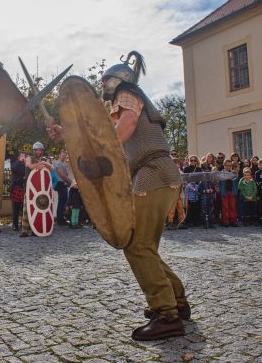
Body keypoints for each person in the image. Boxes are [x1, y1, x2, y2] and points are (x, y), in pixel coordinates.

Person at [49, 52, 191, 341]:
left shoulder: (128, 93)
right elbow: (100, 132)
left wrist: (91, 150)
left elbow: (122, 128)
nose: (102, 84)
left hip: (153, 174)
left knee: (136, 245)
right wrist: (67, 133)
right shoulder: (128, 98)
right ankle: (176, 301)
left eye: (105, 80)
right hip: (156, 175)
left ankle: (167, 315)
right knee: (145, 246)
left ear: (118, 81)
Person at [19, 142, 53, 238]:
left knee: (42, 208)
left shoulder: (44, 159)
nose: (38, 152)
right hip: (31, 189)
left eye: (40, 150)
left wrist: (46, 164)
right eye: (37, 150)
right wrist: (40, 164)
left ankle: (38, 228)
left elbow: (51, 168)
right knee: (27, 210)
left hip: (42, 191)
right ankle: (25, 231)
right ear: (34, 151)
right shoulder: (29, 158)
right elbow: (29, 166)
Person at [9, 152, 26, 231]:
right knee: (16, 208)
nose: (24, 157)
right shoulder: (15, 163)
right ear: (19, 157)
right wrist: (19, 161)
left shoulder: (26, 164)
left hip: (24, 188)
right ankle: (15, 225)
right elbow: (14, 169)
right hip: (17, 187)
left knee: (24, 208)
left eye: (24, 156)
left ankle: (23, 224)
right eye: (22, 156)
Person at [219, 160, 238, 227]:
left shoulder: (233, 173)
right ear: (224, 165)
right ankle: (225, 221)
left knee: (232, 207)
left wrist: (235, 191)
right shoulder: (221, 173)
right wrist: (221, 191)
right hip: (224, 191)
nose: (228, 167)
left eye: (230, 165)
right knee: (225, 207)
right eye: (227, 165)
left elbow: (235, 183)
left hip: (232, 191)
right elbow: (219, 184)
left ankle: (233, 220)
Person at [54, 150, 71, 226]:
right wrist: (70, 182)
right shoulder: (58, 163)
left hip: (63, 183)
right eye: (62, 155)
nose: (64, 156)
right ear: (59, 155)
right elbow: (62, 175)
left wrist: (67, 181)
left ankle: (62, 218)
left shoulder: (63, 164)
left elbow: (65, 174)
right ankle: (60, 220)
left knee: (63, 201)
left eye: (65, 155)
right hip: (60, 183)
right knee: (62, 201)